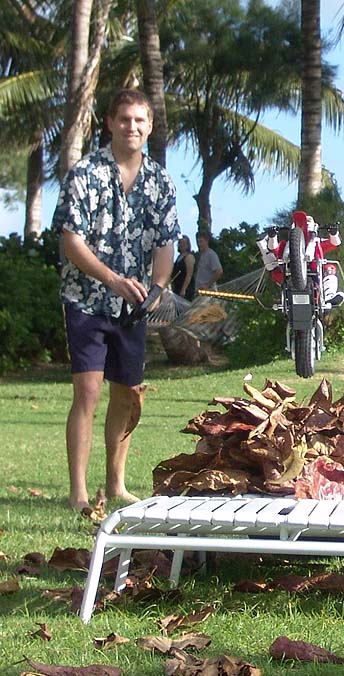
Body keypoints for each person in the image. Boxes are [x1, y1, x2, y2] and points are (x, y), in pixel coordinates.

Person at [52, 88, 180, 514]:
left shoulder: (160, 180)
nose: (132, 127)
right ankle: (79, 494)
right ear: (109, 122)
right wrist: (112, 279)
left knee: (127, 394)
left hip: (135, 306)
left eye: (140, 121)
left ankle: (117, 483)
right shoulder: (85, 174)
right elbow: (71, 241)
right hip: (86, 298)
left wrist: (158, 288)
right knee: (87, 391)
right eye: (124, 119)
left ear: (150, 127)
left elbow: (165, 243)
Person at [171, 235, 196, 300]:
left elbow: (189, 274)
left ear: (188, 245)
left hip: (186, 288)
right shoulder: (179, 257)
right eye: (180, 243)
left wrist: (183, 289)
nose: (182, 245)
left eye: (184, 243)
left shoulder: (189, 257)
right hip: (177, 287)